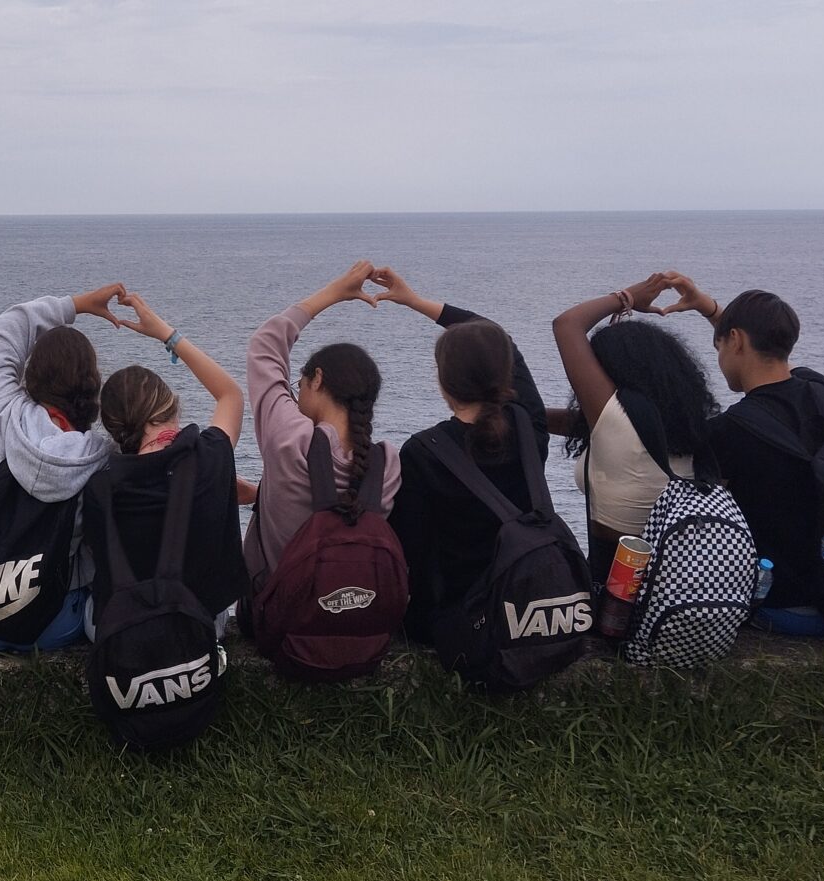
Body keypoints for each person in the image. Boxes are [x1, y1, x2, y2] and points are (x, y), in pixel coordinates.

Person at [0, 285, 128, 652]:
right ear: (93, 387)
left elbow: (6, 328)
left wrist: (77, 304)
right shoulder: (102, 457)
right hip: (51, 627)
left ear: (30, 374)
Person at [373, 269, 553, 643]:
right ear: (506, 374)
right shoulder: (528, 425)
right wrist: (417, 300)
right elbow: (496, 336)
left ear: (442, 382)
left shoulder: (425, 453)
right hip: (527, 595)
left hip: (461, 615)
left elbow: (412, 554)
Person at [655, 274, 824, 610]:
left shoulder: (728, 431)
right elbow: (764, 349)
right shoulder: (823, 392)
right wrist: (711, 309)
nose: (719, 361)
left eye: (719, 347)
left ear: (735, 340)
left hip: (781, 603)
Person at [83, 291, 247, 636]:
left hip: (121, 631)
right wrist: (167, 334)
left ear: (113, 427)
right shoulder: (211, 455)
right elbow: (230, 394)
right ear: (170, 404)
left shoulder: (100, 489)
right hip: (199, 625)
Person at [243, 260, 401, 595]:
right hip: (360, 611)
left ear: (317, 379)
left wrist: (335, 292)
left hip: (281, 614)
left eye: (299, 386)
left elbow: (266, 344)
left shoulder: (290, 437)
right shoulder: (387, 465)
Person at [550, 273, 722, 579]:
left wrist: (627, 297)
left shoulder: (614, 419)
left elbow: (567, 325)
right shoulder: (693, 428)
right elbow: (589, 425)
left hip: (618, 588)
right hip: (679, 581)